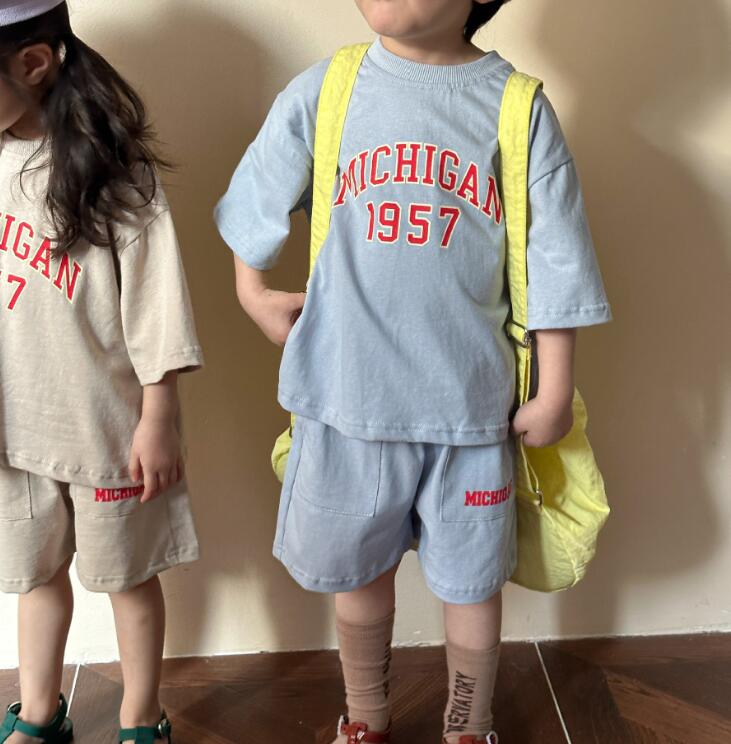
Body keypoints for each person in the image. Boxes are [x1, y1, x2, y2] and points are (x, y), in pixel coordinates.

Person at [216, 1, 610, 742]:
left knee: (471, 584)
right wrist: (252, 292)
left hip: (472, 412)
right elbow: (257, 190)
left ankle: (469, 723)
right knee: (358, 577)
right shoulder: (330, 87)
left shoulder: (517, 107)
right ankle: (366, 716)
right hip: (347, 402)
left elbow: (556, 259)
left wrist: (554, 386)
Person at [0, 2, 202, 742]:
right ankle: (39, 714)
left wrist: (159, 416)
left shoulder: (112, 169)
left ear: (31, 63)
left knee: (128, 578)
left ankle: (141, 717)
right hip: (14, 433)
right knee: (34, 577)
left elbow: (157, 301)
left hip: (109, 430)